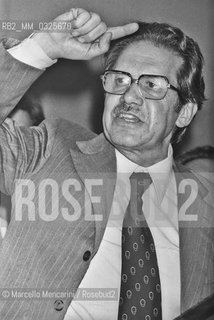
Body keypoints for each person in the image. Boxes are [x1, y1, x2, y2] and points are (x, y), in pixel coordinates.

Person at [0, 7, 213, 320]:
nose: (129, 96)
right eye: (119, 79)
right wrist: (41, 48)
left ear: (184, 112)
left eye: (152, 84)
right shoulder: (49, 147)